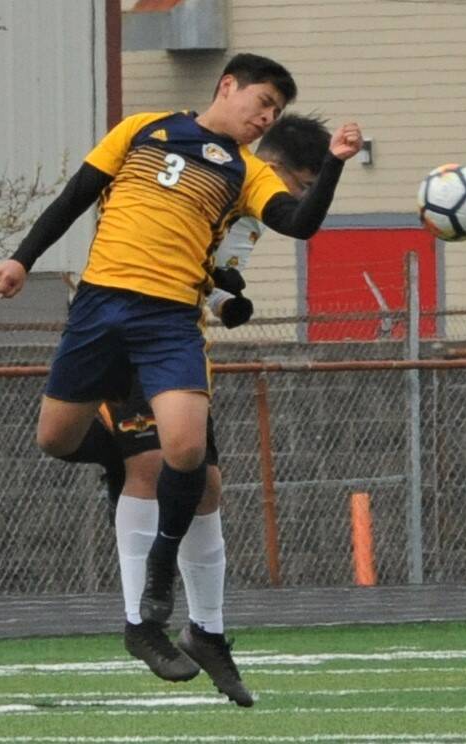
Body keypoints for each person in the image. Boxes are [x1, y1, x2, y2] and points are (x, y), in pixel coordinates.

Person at [0, 53, 362, 636]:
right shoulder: (147, 131)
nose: (265, 116)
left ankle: (188, 619)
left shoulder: (247, 180)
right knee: (104, 451)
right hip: (107, 309)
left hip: (169, 325)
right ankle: (163, 618)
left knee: (192, 468)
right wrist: (22, 257)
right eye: (262, 102)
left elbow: (237, 256)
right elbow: (76, 199)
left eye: (276, 111)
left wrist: (224, 302)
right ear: (227, 85)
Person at [101, 114, 334, 707]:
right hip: (126, 329)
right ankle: (139, 622)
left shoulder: (251, 213)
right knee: (148, 468)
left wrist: (229, 299)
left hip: (178, 345)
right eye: (302, 185)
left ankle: (206, 630)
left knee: (204, 485)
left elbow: (216, 275)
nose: (299, 200)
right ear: (275, 165)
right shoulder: (218, 177)